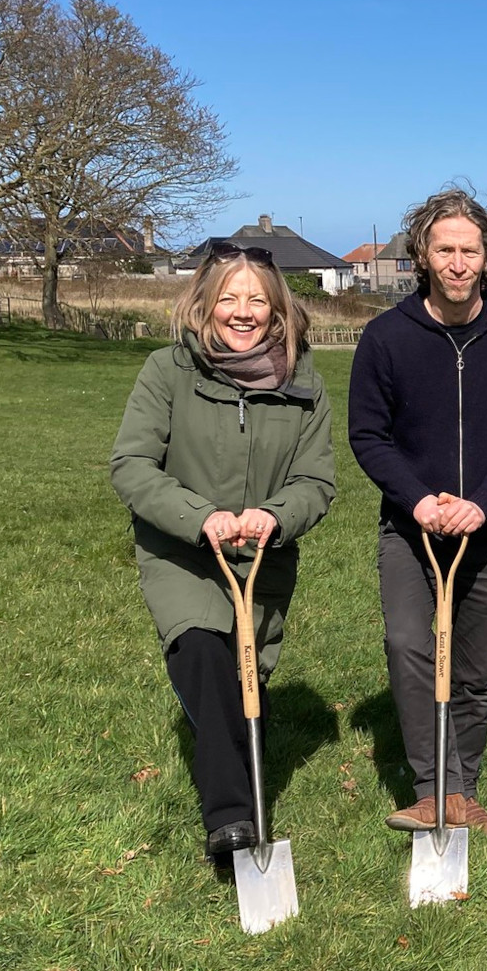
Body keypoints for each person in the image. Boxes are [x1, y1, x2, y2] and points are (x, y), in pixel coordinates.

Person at [111, 242, 335, 858]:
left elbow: (316, 482)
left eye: (256, 300)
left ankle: (237, 778)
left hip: (260, 559)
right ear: (205, 305)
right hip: (181, 552)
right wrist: (200, 517)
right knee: (205, 659)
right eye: (229, 298)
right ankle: (234, 823)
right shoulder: (167, 371)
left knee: (245, 684)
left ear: (278, 310)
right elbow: (131, 465)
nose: (243, 312)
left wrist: (273, 516)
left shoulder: (304, 385)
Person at [350, 187, 487, 838]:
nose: (458, 262)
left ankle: (461, 794)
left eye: (470, 250)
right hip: (409, 531)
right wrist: (416, 500)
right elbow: (368, 435)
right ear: (423, 255)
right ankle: (432, 789)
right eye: (445, 249)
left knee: (472, 668)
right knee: (410, 645)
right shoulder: (386, 337)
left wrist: (482, 504)